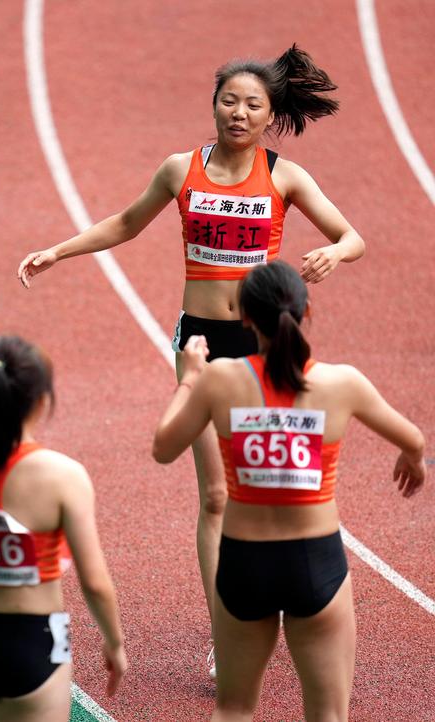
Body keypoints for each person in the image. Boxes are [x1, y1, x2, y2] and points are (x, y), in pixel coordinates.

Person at [17, 44, 365, 674]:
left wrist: (334, 256)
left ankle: (298, 600)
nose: (238, 112)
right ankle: (225, 635)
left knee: (275, 486)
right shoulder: (182, 170)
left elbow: (353, 236)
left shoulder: (285, 176)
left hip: (264, 345)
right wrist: (58, 251)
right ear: (213, 105)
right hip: (200, 343)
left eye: (252, 104)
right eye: (228, 100)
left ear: (269, 114)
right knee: (214, 497)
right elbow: (126, 222)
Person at [152, 260, 426, 721]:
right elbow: (414, 439)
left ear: (243, 319)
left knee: (235, 709)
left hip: (244, 562)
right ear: (307, 312)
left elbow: (163, 448)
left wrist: (190, 377)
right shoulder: (342, 383)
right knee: (327, 715)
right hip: (315, 562)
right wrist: (412, 460)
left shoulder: (221, 380)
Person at [0, 335, 127, 722]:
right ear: (42, 402)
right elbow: (95, 582)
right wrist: (114, 644)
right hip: (35, 642)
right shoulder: (64, 476)